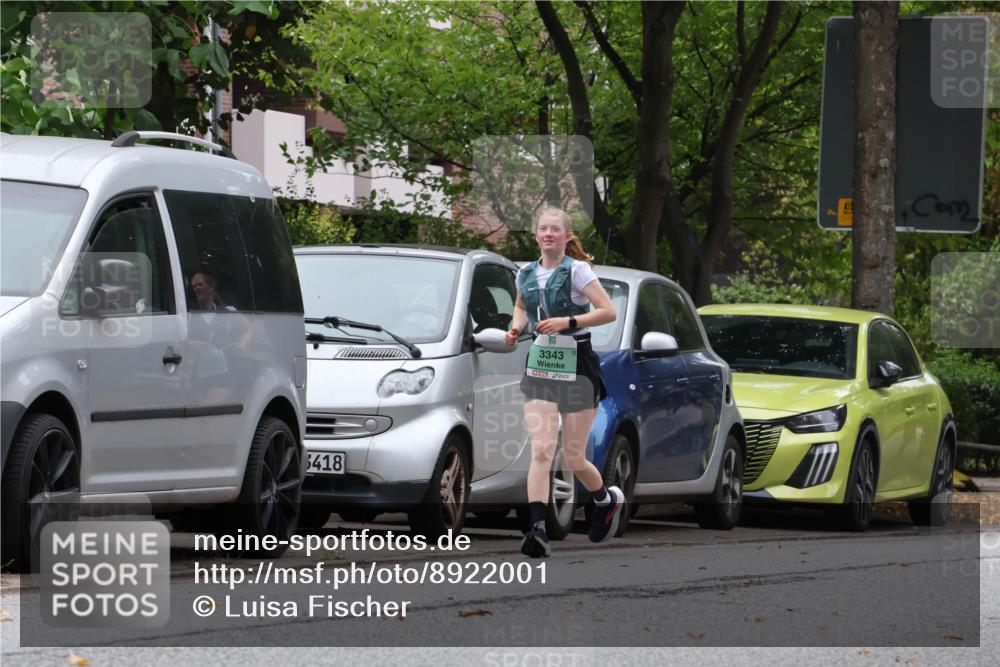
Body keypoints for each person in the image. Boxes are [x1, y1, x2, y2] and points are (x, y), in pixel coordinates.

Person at [505, 207, 621, 558]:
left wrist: (568, 321)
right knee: (542, 449)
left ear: (566, 236)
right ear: (536, 234)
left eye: (555, 229)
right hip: (542, 361)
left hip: (578, 362)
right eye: (543, 228)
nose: (548, 234)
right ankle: (537, 529)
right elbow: (521, 307)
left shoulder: (578, 270)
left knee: (573, 456)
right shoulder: (525, 272)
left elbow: (608, 311)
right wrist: (515, 328)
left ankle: (605, 500)